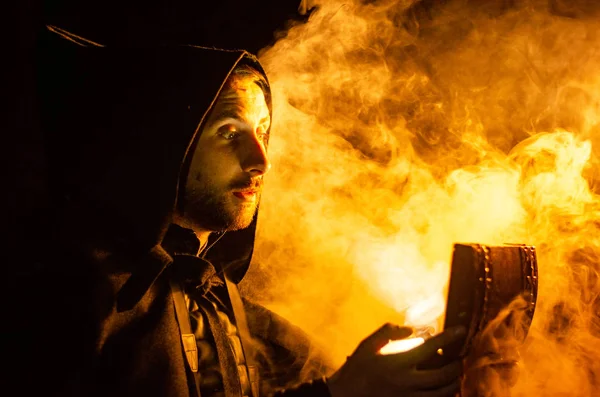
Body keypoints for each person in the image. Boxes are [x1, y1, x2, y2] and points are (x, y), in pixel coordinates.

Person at [2, 26, 466, 397]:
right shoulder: (68, 297)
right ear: (163, 147)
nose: (261, 159)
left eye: (263, 130)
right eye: (229, 131)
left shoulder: (223, 306)